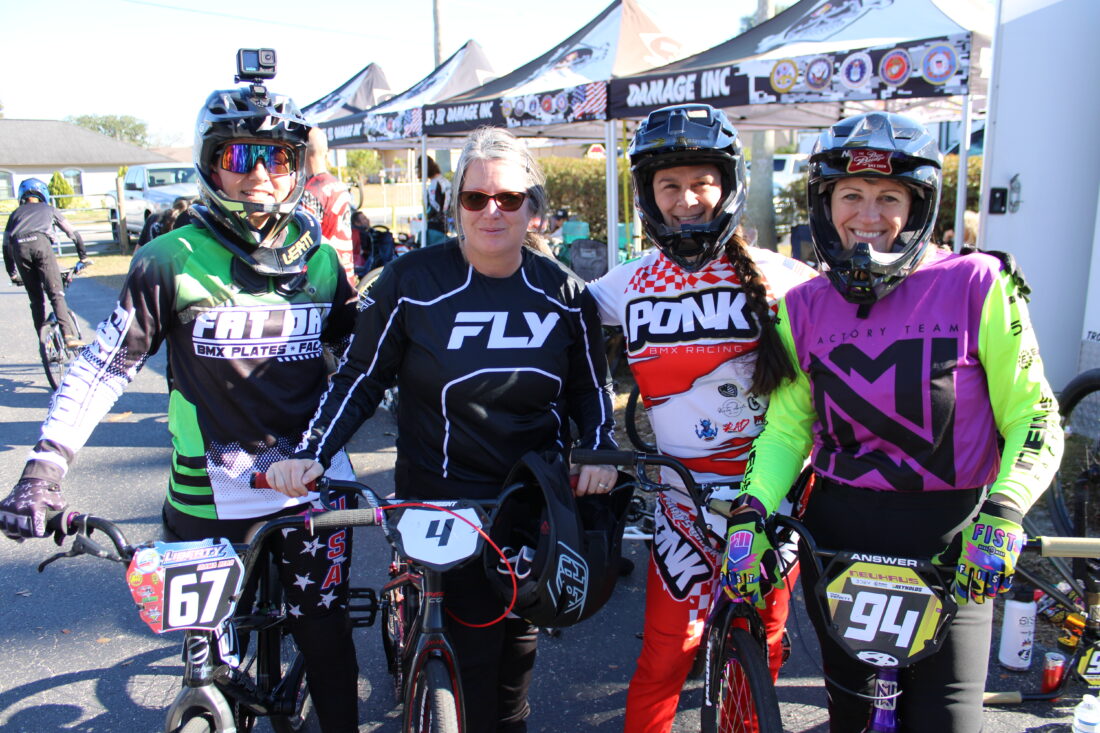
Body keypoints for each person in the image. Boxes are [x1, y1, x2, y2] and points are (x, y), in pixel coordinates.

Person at [0, 80, 361, 732]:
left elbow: (362, 362)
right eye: (238, 155)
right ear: (209, 163)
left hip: (308, 483)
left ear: (296, 166)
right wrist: (44, 466)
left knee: (327, 642)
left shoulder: (322, 264)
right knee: (208, 658)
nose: (259, 174)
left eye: (276, 156)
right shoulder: (167, 259)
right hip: (208, 494)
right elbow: (103, 368)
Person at [264, 125, 618, 733]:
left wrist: (600, 450)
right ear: (455, 206)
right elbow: (361, 378)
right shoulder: (411, 282)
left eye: (508, 198)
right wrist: (313, 452)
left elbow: (591, 390)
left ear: (533, 209)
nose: (491, 211)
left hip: (531, 500)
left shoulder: (565, 293)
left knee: (518, 650)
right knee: (473, 656)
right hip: (441, 497)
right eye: (475, 197)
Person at [723, 111, 1063, 731]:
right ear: (826, 205)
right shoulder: (801, 305)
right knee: (854, 721)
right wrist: (752, 510)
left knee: (944, 721)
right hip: (838, 541)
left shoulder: (980, 282)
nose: (868, 214)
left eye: (889, 197)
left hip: (952, 545)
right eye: (851, 195)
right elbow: (787, 428)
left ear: (918, 206)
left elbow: (1033, 415)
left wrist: (1007, 508)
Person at [586, 103, 815, 733]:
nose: (686, 200)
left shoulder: (787, 278)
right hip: (681, 503)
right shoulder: (626, 284)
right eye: (669, 185)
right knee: (666, 657)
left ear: (730, 185)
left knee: (765, 644)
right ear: (647, 195)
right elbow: (551, 327)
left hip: (772, 497)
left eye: (701, 182)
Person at [3, 178, 89, 349]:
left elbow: (6, 246)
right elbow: (73, 233)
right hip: (41, 244)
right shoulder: (49, 209)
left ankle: (44, 344)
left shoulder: (15, 214)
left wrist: (12, 273)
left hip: (20, 248)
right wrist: (83, 256)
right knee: (56, 293)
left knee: (36, 300)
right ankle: (68, 335)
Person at [301, 126, 355, 284]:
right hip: (345, 272)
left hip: (324, 278)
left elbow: (303, 240)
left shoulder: (312, 191)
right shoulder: (338, 184)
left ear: (303, 151)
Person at [418, 154, 452, 244]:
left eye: (418, 168)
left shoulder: (434, 184)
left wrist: (422, 216)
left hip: (435, 225)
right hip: (445, 223)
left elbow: (434, 208)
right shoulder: (444, 180)